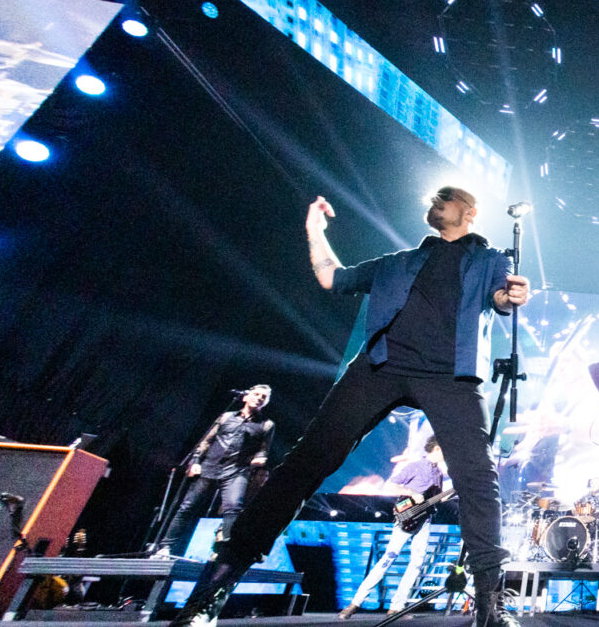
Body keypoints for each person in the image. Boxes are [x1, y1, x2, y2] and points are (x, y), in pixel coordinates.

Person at [170, 187, 531, 627]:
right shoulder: (397, 262)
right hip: (379, 367)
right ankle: (213, 590)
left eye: (445, 197)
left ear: (470, 212)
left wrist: (509, 296)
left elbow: (500, 296)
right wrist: (314, 231)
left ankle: (490, 607)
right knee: (306, 462)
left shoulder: (491, 259)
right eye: (432, 198)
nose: (433, 201)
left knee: (478, 478)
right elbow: (332, 277)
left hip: (451, 378)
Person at [154, 385, 274, 559]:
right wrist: (196, 461)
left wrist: (259, 459)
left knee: (232, 508)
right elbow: (206, 441)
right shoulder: (226, 417)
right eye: (256, 394)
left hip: (237, 470)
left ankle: (223, 551)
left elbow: (264, 449)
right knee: (187, 507)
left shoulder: (266, 424)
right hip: (210, 466)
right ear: (245, 397)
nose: (259, 398)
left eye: (263, 397)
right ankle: (165, 547)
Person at [338, 437, 447, 619]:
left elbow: (438, 499)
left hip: (425, 520)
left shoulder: (439, 474)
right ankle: (355, 603)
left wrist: (458, 490)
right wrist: (412, 493)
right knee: (388, 559)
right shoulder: (416, 466)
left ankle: (397, 607)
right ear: (436, 448)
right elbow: (391, 484)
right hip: (407, 518)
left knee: (417, 563)